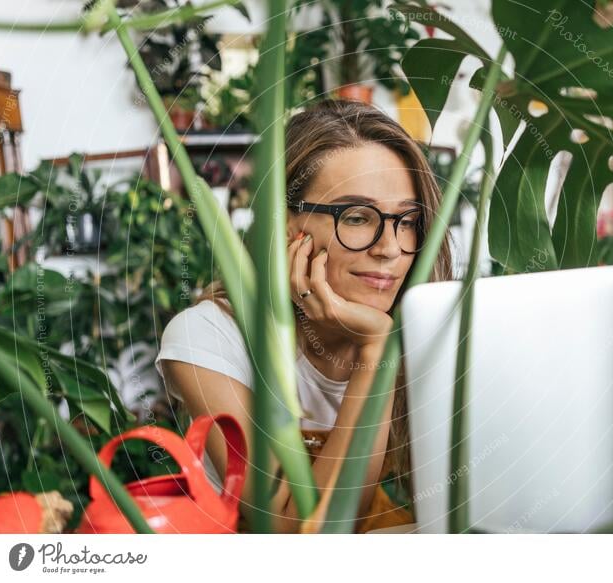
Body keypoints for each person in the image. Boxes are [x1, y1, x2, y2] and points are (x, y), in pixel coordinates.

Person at [155, 98, 453, 533]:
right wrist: (376, 348)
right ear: (287, 226)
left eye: (407, 220)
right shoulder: (209, 337)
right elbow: (296, 535)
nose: (389, 247)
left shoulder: (430, 326)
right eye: (356, 217)